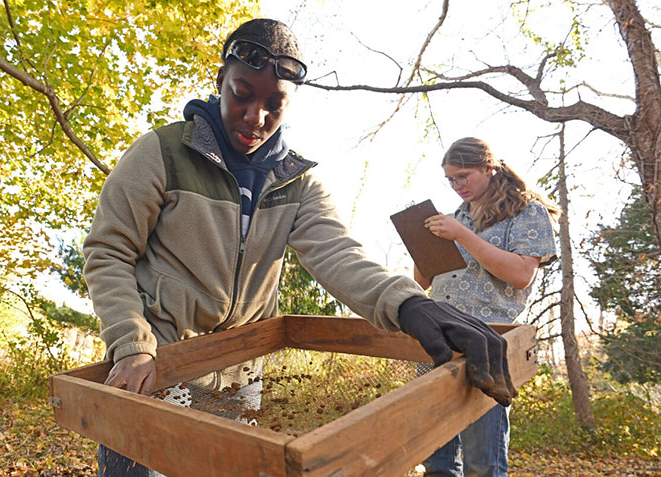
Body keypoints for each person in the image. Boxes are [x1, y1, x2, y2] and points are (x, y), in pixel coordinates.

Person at [83, 19, 516, 476]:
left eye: (275, 103)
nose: (256, 116)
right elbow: (108, 251)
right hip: (157, 366)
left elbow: (338, 253)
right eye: (242, 93)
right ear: (220, 83)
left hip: (239, 377)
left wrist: (408, 305)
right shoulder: (161, 152)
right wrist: (132, 344)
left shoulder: (299, 181)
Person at [414, 137, 559, 477]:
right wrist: (422, 245)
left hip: (486, 342)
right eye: (450, 179)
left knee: (483, 464)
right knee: (436, 462)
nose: (456, 185)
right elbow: (423, 282)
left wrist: (461, 235)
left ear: (489, 169)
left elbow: (522, 275)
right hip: (436, 341)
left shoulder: (526, 211)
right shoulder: (453, 218)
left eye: (463, 176)